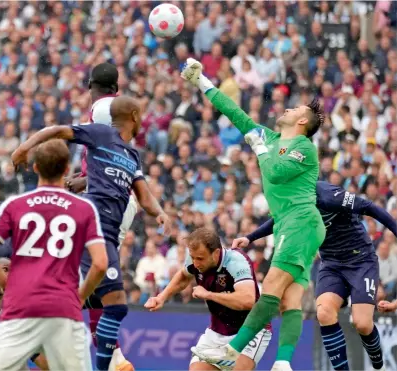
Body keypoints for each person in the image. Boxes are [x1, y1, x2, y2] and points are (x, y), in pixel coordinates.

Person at [182, 58, 325, 371]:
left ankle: (231, 351)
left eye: (295, 109)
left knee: (270, 288)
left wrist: (259, 149)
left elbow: (274, 173)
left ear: (302, 123)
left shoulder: (303, 147)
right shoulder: (271, 139)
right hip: (294, 226)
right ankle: (283, 364)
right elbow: (234, 113)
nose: (287, 109)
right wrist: (202, 81)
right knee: (289, 301)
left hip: (300, 223)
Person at [11, 95, 172, 371]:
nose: (143, 119)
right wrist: (25, 148)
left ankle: (33, 333)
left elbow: (144, 196)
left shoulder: (132, 155)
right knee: (114, 305)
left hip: (107, 233)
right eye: (141, 114)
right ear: (133, 116)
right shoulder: (102, 133)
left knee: (88, 300)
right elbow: (58, 131)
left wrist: (160, 212)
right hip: (92, 227)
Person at [0, 139, 108, 371]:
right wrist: (79, 297)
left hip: (21, 307)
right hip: (64, 308)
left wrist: (7, 284)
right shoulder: (83, 208)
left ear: (35, 167)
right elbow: (100, 264)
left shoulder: (15, 205)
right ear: (67, 169)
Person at [236, 181, 393, 371]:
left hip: (361, 260)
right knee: (324, 313)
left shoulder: (328, 195)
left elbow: (369, 207)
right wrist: (250, 237)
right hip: (331, 264)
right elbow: (280, 219)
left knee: (362, 324)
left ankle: (379, 366)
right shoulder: (293, 200)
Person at [65, 61, 137, 371]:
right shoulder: (119, 108)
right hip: (119, 200)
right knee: (98, 283)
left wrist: (84, 181)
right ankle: (114, 358)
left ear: (91, 86)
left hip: (104, 201)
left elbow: (108, 153)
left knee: (74, 271)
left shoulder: (102, 108)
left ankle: (48, 322)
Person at [145, 228, 271, 371]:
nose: (196, 263)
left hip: (250, 329)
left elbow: (247, 300)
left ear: (216, 253)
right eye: (193, 258)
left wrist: (208, 294)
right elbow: (183, 276)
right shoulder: (195, 257)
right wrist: (161, 297)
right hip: (218, 332)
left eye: (200, 258)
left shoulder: (236, 261)